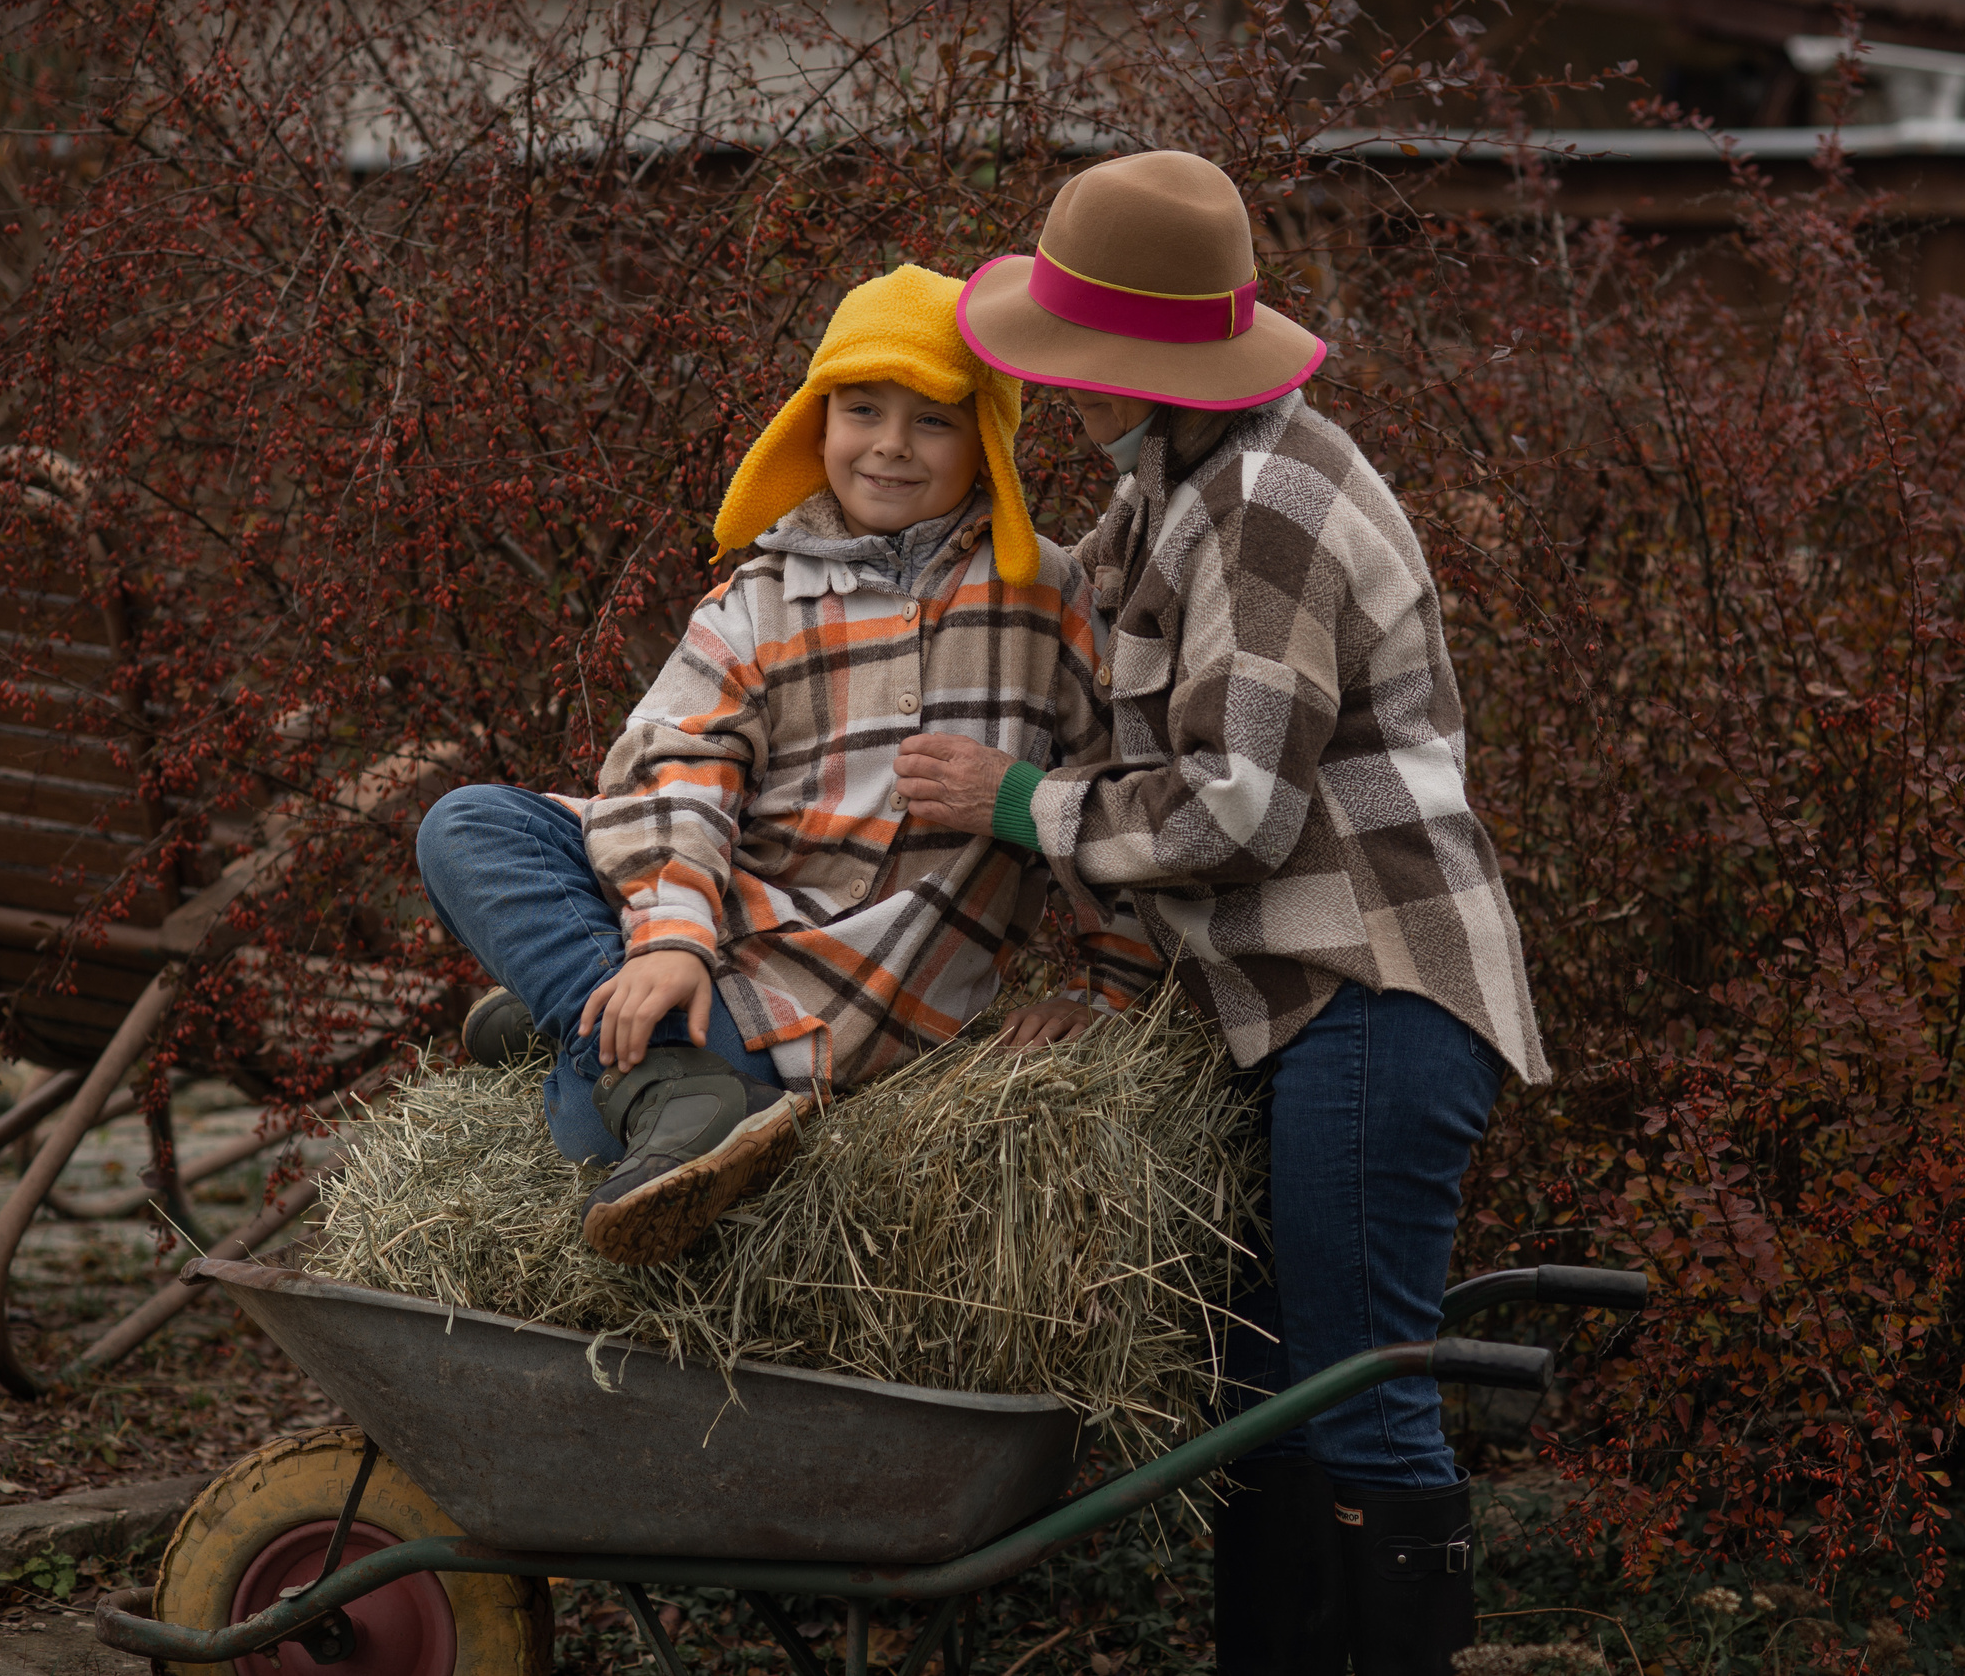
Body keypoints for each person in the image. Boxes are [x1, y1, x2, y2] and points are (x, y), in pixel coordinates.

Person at [895, 151, 1548, 1675]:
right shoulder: (1163, 496)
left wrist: (1014, 805)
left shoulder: (1267, 505)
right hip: (1289, 1008)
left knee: (1352, 1380)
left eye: (1077, 361)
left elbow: (1233, 812)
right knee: (1259, 1382)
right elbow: (1124, 707)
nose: (1059, 392)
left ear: (1149, 366)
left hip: (1376, 986)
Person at [416, 264, 1159, 1268]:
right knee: (467, 823)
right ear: (817, 421)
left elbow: (1117, 790)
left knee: (587, 1127)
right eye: (861, 410)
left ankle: (582, 1020)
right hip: (718, 934)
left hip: (844, 1005)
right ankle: (633, 1037)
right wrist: (673, 937)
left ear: (984, 435)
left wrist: (1108, 997)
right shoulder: (758, 597)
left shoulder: (1046, 598)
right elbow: (677, 762)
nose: (890, 446)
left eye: (931, 420)